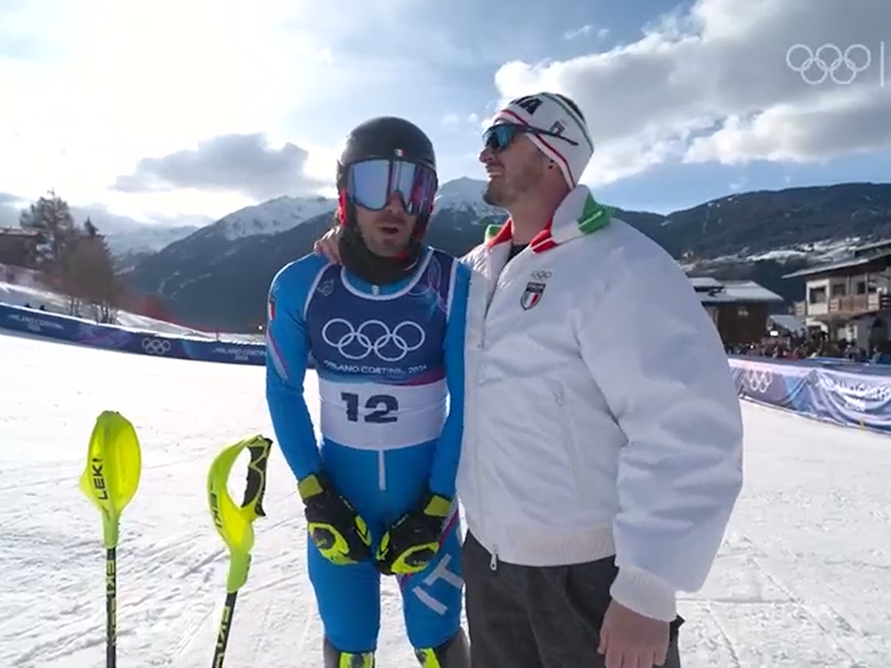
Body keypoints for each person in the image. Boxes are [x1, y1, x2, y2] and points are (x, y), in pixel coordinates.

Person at [313, 92, 744, 668]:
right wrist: (352, 256)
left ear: (551, 155)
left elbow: (689, 429)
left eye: (499, 139)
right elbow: (402, 287)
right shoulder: (475, 271)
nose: (484, 153)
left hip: (590, 578)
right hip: (491, 567)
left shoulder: (620, 265)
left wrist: (647, 587)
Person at [265, 116, 472, 668]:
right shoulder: (300, 284)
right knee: (350, 648)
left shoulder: (455, 283)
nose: (394, 204)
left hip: (427, 506)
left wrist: (435, 506)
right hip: (340, 504)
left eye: (414, 187)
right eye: (375, 183)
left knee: (439, 645)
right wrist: (316, 494)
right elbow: (283, 393)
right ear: (345, 195)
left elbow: (469, 402)